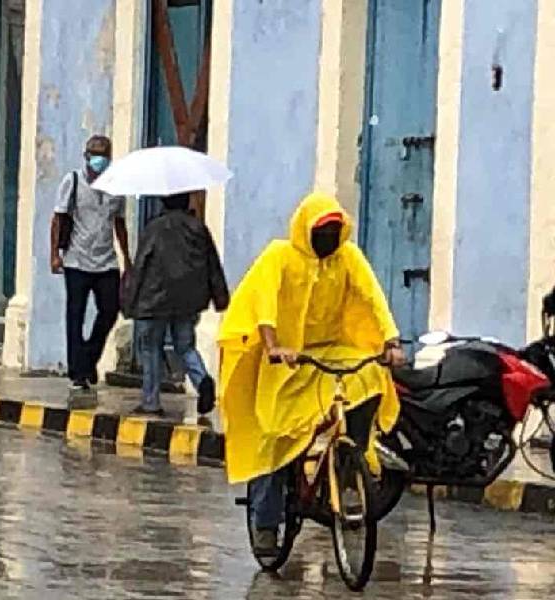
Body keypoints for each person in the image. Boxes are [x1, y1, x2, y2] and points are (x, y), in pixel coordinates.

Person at [217, 192, 405, 557]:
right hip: (286, 361)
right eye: (323, 230)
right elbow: (264, 303)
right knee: (274, 438)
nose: (330, 237)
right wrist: (273, 345)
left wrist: (390, 341)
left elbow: (373, 297)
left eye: (336, 230)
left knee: (369, 379)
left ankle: (354, 458)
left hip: (330, 351)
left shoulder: (347, 257)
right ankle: (266, 523)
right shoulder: (279, 256)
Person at [123, 192, 229, 416]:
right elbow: (213, 263)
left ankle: (151, 402)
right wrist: (220, 297)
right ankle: (202, 380)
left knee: (151, 348)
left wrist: (130, 301)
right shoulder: (198, 229)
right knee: (185, 346)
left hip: (154, 299)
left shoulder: (154, 228)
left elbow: (140, 265)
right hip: (187, 300)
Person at [50, 135, 132, 391]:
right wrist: (55, 254)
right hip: (77, 259)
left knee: (110, 309)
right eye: (96, 154)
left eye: (104, 154)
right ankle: (78, 371)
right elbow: (59, 218)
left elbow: (119, 222)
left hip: (106, 261)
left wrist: (127, 258)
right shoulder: (72, 182)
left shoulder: (116, 187)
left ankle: (88, 359)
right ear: (86, 156)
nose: (100, 159)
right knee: (75, 315)